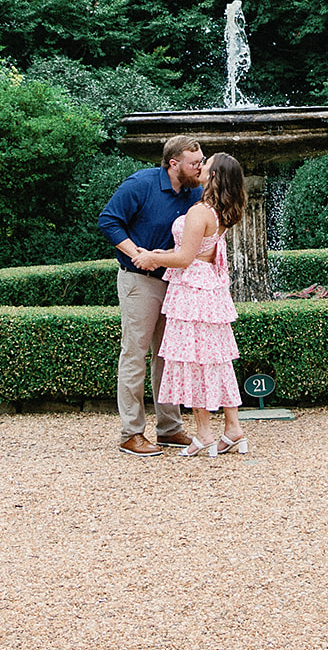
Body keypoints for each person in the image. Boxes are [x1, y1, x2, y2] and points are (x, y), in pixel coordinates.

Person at [131, 152, 248, 457]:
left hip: (193, 292)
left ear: (214, 177)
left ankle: (205, 434)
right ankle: (232, 429)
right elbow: (197, 251)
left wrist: (152, 256)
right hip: (209, 289)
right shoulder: (223, 211)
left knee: (193, 360)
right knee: (216, 359)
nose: (200, 165)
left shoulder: (200, 212)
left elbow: (184, 258)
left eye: (205, 164)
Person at [98, 135, 204, 456]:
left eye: (201, 162)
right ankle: (131, 433)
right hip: (139, 280)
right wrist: (138, 254)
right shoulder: (140, 185)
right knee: (135, 354)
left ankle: (169, 429)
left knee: (167, 356)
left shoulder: (195, 192)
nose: (199, 167)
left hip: (175, 282)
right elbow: (109, 221)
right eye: (194, 163)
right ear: (174, 164)